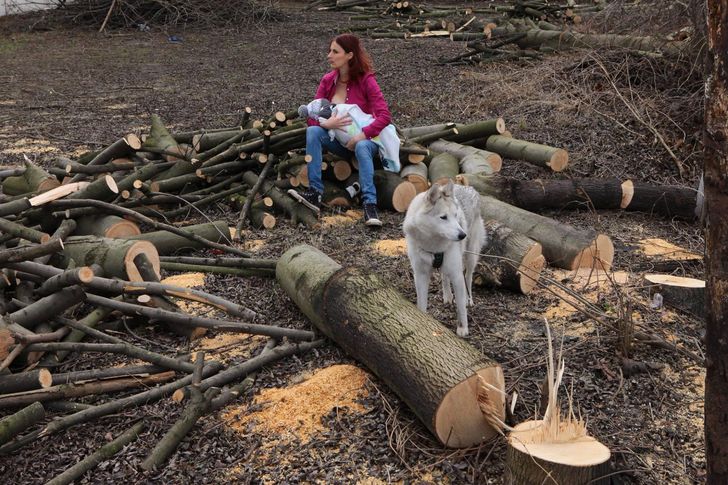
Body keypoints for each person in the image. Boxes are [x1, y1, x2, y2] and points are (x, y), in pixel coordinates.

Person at [289, 34, 393, 227]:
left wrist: (361, 135)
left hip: (366, 142)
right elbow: (313, 113)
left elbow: (385, 116)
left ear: (349, 55)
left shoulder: (366, 80)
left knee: (362, 146)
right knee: (313, 132)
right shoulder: (327, 81)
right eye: (330, 50)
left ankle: (370, 205)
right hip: (338, 142)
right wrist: (325, 125)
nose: (329, 55)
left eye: (335, 51)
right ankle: (315, 193)